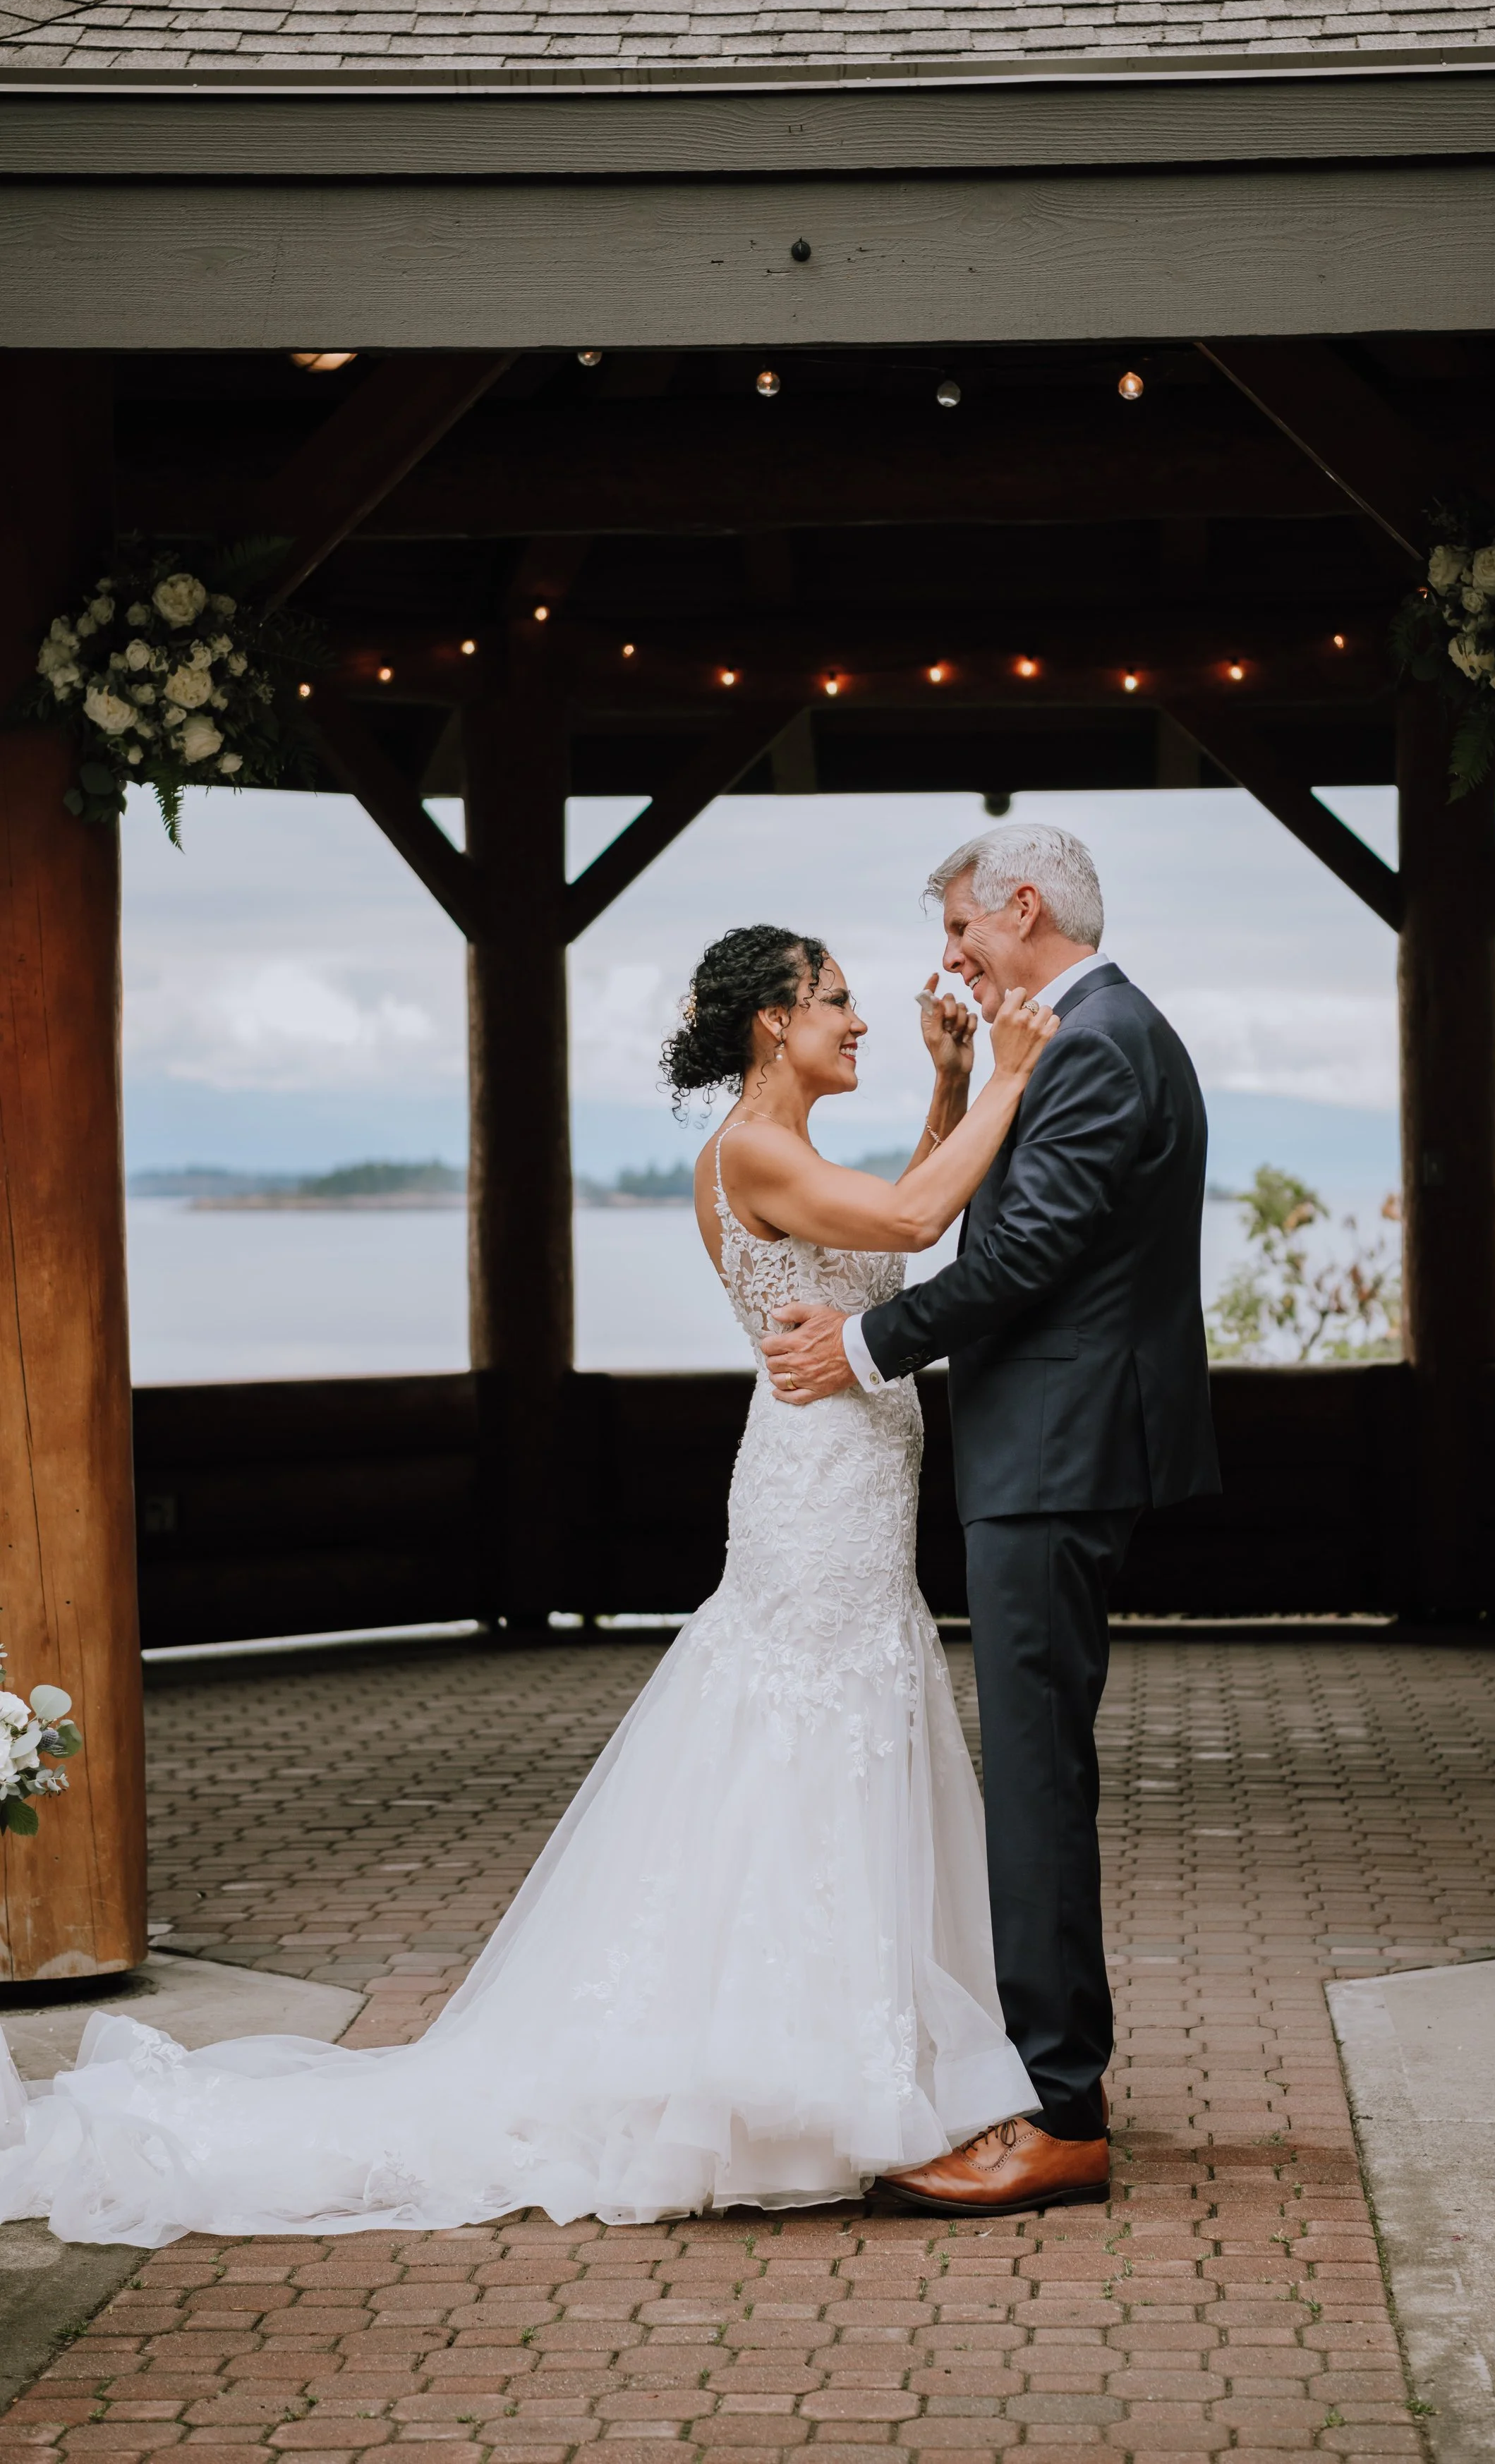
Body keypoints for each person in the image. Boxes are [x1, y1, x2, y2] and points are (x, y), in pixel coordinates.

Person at [0, 925, 1058, 2243]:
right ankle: (796, 2076)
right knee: (802, 1743)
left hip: (849, 1484)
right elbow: (911, 1222)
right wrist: (1012, 1075)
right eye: (838, 1003)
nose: (860, 1022)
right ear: (771, 1023)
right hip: (812, 1498)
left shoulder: (788, 1154)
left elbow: (887, 1246)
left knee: (832, 1747)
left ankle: (834, 2060)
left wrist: (952, 1091)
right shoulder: (749, 1153)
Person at [758, 824, 1218, 2214]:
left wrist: (861, 1347)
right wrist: (965, 1087)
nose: (947, 957)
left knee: (1033, 1780)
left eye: (960, 929)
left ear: (1023, 908)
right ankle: (1042, 2085)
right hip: (1058, 1445)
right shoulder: (1092, 1038)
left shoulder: (1096, 1043)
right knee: (1035, 1769)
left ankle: (1059, 2114)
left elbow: (1023, 1256)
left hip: (1060, 1450)